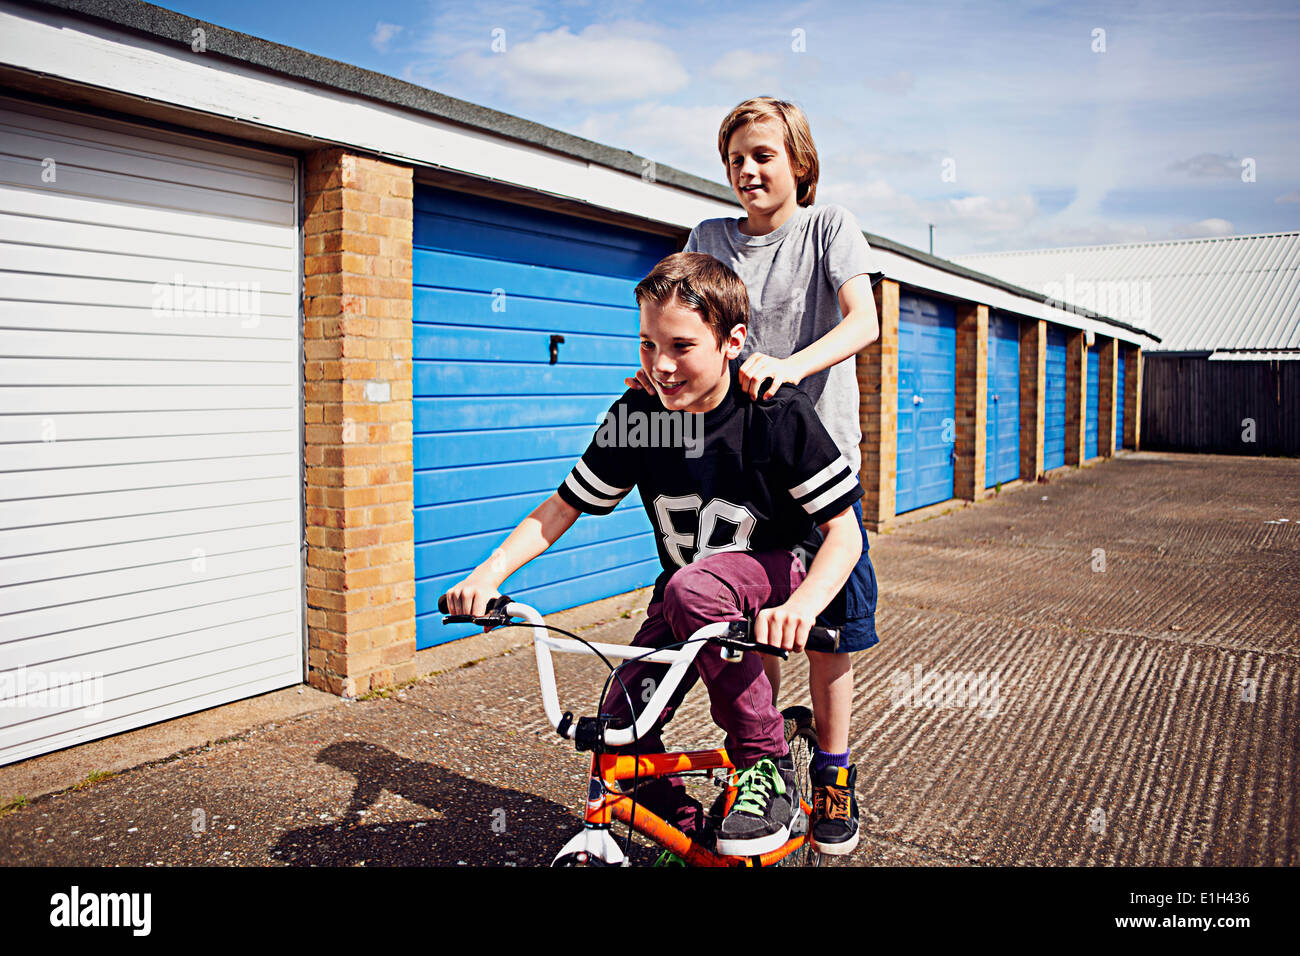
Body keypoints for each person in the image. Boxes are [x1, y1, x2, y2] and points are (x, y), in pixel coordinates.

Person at [444, 252, 863, 856]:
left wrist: (803, 606)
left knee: (691, 588)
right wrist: (486, 577)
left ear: (732, 341)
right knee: (616, 733)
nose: (661, 365)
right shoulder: (639, 419)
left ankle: (764, 763)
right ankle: (688, 822)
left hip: (775, 574)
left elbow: (844, 534)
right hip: (689, 599)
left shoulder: (771, 412)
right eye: (647, 345)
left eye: (681, 346)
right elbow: (562, 507)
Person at [626, 97, 881, 855]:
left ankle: (833, 772)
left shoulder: (827, 225)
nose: (747, 169)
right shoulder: (709, 237)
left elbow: (863, 321)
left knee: (830, 629)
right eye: (735, 157)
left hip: (814, 461)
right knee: (742, 631)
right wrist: (658, 377)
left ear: (798, 162)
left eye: (763, 155)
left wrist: (789, 368)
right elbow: (681, 316)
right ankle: (761, 768)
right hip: (737, 475)